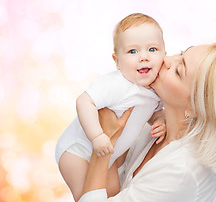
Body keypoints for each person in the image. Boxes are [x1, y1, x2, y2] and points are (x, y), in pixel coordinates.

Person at [78, 43, 216, 202]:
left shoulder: (182, 171)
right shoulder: (159, 127)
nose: (166, 59)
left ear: (196, 108)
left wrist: (104, 143)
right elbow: (114, 188)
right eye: (181, 54)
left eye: (178, 71)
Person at [55, 13, 167, 201]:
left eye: (153, 49)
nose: (144, 57)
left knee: (114, 194)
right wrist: (97, 135)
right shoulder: (117, 84)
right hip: (77, 151)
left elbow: (153, 112)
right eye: (133, 51)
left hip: (108, 155)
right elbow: (84, 101)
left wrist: (160, 120)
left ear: (164, 53)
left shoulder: (156, 89)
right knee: (86, 194)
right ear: (117, 61)